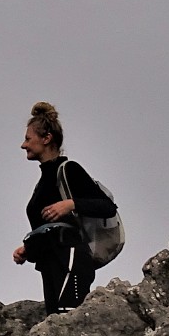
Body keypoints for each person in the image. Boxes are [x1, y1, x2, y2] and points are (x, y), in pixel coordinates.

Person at [11, 101, 117, 314]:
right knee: (55, 323)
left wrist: (71, 204)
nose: (23, 145)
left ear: (46, 139)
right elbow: (50, 229)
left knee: (67, 320)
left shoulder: (68, 169)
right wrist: (28, 249)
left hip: (71, 260)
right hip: (51, 263)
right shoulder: (43, 182)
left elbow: (108, 207)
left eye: (28, 139)